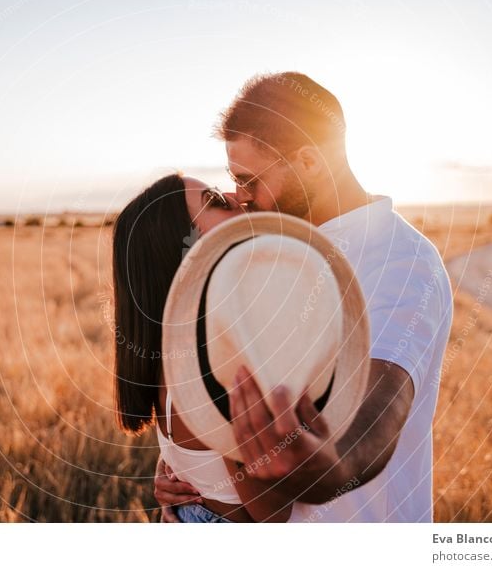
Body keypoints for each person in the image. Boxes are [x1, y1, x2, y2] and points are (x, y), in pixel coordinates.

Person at [154, 72, 454, 522]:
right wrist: (193, 477)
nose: (240, 196)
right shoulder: (273, 253)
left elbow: (380, 407)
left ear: (310, 163)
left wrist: (329, 468)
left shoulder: (399, 261)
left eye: (250, 179)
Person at [111, 173, 298, 522]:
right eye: (213, 200)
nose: (233, 195)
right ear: (188, 248)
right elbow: (274, 514)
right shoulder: (218, 361)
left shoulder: (173, 340)